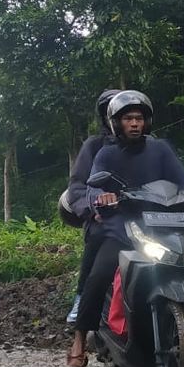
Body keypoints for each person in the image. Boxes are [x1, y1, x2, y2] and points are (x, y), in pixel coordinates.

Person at [65, 90, 184, 367]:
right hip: (121, 227)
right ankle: (78, 342)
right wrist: (99, 199)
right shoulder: (104, 151)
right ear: (115, 122)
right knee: (100, 273)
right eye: (128, 118)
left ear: (147, 121)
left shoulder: (160, 149)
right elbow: (91, 186)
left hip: (164, 223)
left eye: (139, 118)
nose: (134, 123)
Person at [62, 88, 121, 324]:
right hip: (105, 217)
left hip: (144, 216)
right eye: (112, 112)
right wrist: (94, 208)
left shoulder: (150, 146)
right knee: (97, 238)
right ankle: (82, 299)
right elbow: (77, 186)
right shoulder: (94, 146)